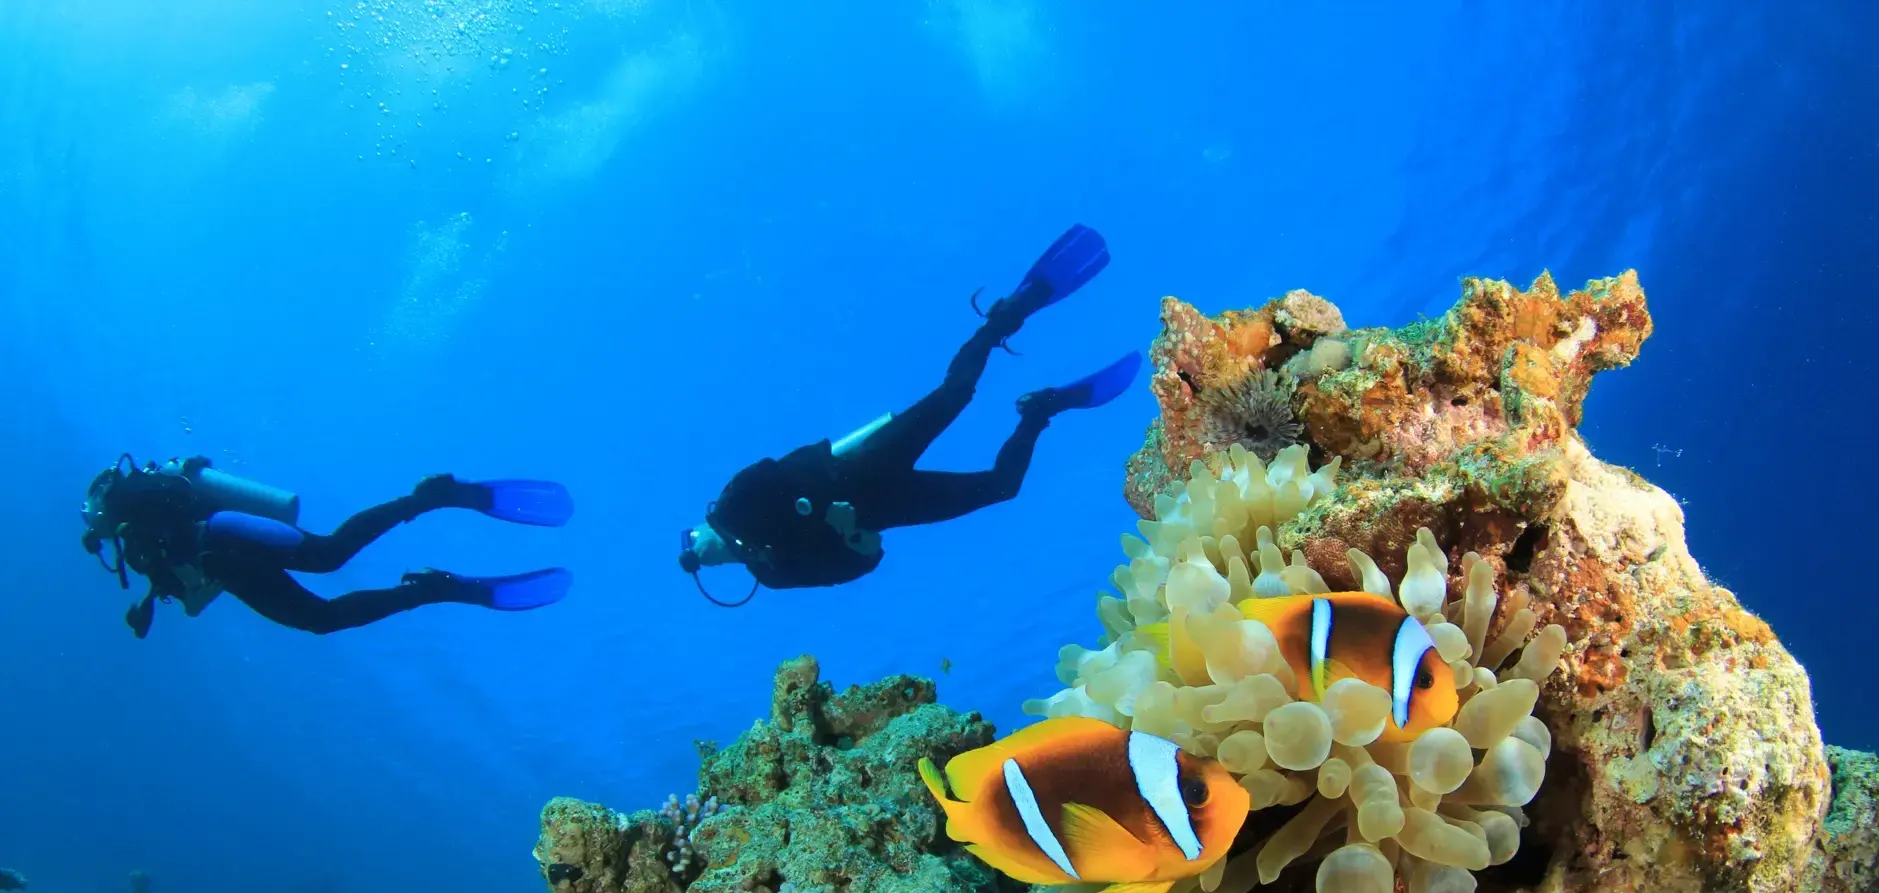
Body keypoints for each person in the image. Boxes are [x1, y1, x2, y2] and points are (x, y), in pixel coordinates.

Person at [677, 224, 1142, 604]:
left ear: (700, 530)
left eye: (693, 543)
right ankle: (1040, 410)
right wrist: (852, 533)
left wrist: (816, 505)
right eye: (701, 560)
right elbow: (858, 566)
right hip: (886, 507)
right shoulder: (773, 575)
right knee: (1002, 487)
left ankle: (1007, 315)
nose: (702, 554)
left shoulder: (733, 502)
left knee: (955, 394)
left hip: (863, 465)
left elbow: (776, 471)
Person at [80, 454, 574, 638]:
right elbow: (187, 586)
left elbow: (183, 579)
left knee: (326, 579)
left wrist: (159, 594)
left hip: (224, 541)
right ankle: (432, 550)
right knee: (326, 583)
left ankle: (430, 564)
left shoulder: (132, 528)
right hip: (228, 549)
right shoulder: (139, 527)